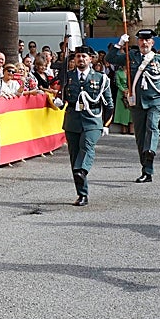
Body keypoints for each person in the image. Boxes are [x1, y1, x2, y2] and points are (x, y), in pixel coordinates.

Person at [108, 29, 160, 182]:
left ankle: (150, 151)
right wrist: (119, 44)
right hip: (136, 102)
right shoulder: (131, 57)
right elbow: (111, 58)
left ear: (152, 42)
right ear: (138, 42)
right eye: (141, 40)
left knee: (152, 127)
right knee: (140, 137)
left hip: (155, 100)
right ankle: (146, 170)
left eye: (147, 40)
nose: (144, 43)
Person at [55, 46, 113, 206]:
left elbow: (109, 104)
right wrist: (58, 102)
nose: (81, 59)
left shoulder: (101, 78)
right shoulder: (67, 77)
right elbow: (61, 99)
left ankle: (83, 170)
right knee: (74, 156)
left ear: (91, 59)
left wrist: (106, 123)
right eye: (78, 56)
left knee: (87, 147)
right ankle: (82, 194)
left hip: (93, 120)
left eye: (84, 57)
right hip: (72, 120)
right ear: (74, 59)